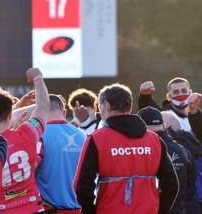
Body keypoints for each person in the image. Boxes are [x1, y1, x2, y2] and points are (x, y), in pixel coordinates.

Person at [75, 83, 178, 214]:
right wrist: (159, 210)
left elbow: (82, 187)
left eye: (99, 107)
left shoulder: (97, 139)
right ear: (129, 106)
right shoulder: (154, 140)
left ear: (106, 105)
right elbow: (171, 184)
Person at [0, 67, 49, 213]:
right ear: (10, 113)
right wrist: (38, 78)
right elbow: (44, 107)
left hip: (3, 210)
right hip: (33, 207)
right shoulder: (27, 133)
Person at [139, 106, 199, 214]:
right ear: (164, 126)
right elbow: (191, 189)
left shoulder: (142, 151)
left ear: (141, 127)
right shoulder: (183, 150)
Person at [36, 94, 86, 213]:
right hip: (79, 209)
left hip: (50, 209)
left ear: (40, 111)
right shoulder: (83, 136)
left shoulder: (39, 136)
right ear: (64, 112)